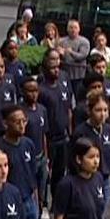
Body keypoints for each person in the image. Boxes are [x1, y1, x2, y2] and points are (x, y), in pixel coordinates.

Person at [72, 92, 110, 219]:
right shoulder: (81, 132)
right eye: (98, 110)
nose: (103, 114)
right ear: (89, 110)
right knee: (90, 217)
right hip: (87, 180)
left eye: (105, 110)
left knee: (100, 216)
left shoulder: (106, 129)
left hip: (104, 177)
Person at [38, 49, 73, 209]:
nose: (56, 70)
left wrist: (69, 131)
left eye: (58, 67)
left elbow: (68, 110)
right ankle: (43, 203)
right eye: (52, 67)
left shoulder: (63, 84)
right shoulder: (42, 89)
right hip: (49, 137)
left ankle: (56, 203)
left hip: (63, 136)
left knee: (60, 173)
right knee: (46, 173)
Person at [19, 77, 51, 219]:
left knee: (41, 195)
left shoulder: (42, 110)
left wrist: (46, 156)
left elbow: (44, 135)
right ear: (23, 92)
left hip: (41, 158)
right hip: (26, 160)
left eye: (35, 91)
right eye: (29, 91)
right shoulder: (20, 112)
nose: (33, 94)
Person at [58, 19, 90, 90]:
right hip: (64, 73)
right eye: (71, 27)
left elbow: (83, 55)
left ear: (79, 29)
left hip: (78, 74)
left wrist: (71, 52)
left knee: (78, 96)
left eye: (75, 27)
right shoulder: (61, 41)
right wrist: (59, 54)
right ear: (67, 29)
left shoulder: (84, 41)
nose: (73, 30)